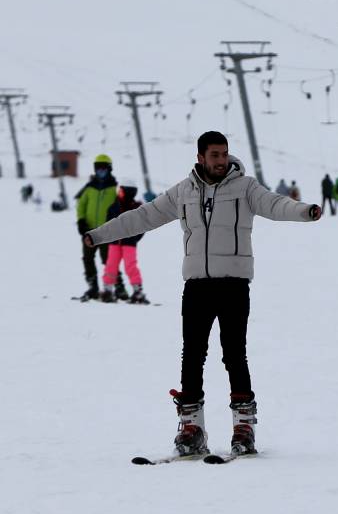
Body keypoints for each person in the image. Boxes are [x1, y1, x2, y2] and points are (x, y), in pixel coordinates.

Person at [82, 131, 322, 457]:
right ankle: (192, 428)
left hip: (234, 283)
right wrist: (99, 236)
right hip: (197, 284)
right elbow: (143, 217)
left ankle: (244, 427)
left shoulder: (246, 187)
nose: (221, 160)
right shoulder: (184, 191)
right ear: (201, 157)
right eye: (214, 155)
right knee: (192, 354)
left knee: (234, 353)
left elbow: (275, 204)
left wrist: (304, 210)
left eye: (224, 154)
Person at [76, 154, 125, 301]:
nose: (100, 171)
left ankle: (119, 286)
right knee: (88, 258)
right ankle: (93, 286)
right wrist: (81, 221)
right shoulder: (89, 188)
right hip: (89, 231)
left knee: (109, 260)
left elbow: (121, 206)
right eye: (97, 168)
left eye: (103, 168)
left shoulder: (115, 188)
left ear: (109, 169)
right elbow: (81, 205)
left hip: (107, 232)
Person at [100, 180, 148, 304]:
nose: (119, 192)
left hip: (129, 244)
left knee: (130, 265)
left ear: (129, 192)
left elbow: (142, 226)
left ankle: (138, 290)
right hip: (115, 243)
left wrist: (134, 238)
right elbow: (107, 223)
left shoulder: (136, 208)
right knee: (111, 265)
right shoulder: (114, 206)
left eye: (121, 190)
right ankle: (107, 290)